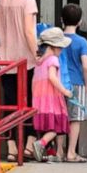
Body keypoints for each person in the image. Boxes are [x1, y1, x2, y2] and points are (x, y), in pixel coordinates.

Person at [0, 0, 39, 155]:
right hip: (25, 61)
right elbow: (29, 31)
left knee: (10, 103)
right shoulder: (28, 0)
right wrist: (37, 52)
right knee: (29, 103)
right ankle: (28, 145)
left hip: (5, 60)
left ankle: (11, 147)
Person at [28, 26, 73, 162]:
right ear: (53, 47)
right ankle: (40, 144)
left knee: (46, 127)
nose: (61, 50)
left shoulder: (38, 62)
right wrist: (64, 91)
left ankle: (47, 150)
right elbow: (53, 78)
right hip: (51, 100)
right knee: (55, 128)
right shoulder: (53, 60)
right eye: (60, 47)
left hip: (39, 100)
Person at [60, 3, 87, 162]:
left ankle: (58, 152)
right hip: (77, 83)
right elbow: (85, 66)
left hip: (59, 83)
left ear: (61, 20)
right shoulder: (81, 42)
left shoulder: (58, 39)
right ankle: (71, 152)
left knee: (60, 116)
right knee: (75, 118)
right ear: (80, 22)